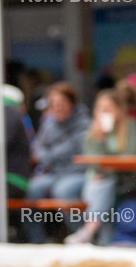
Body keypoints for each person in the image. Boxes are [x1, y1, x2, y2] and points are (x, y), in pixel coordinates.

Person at [64, 90, 136, 245]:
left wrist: (106, 170)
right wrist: (101, 138)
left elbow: (131, 155)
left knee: (101, 185)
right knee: (74, 189)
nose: (104, 113)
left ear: (119, 110)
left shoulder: (130, 126)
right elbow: (92, 160)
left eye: (108, 108)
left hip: (124, 179)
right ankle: (94, 235)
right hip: (97, 178)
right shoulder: (92, 130)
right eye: (100, 109)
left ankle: (88, 232)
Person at [25, 82, 90, 243]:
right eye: (53, 104)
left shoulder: (85, 125)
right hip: (54, 172)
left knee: (63, 191)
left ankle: (80, 236)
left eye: (62, 103)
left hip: (77, 172)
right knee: (31, 189)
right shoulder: (49, 124)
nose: (57, 108)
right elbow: (37, 149)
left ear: (72, 104)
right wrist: (50, 155)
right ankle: (38, 241)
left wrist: (49, 154)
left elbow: (75, 152)